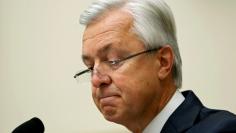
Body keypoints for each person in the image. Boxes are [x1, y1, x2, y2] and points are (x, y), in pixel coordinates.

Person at [74, 0, 236, 132]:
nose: (96, 80)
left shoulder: (222, 129)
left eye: (113, 60)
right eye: (90, 67)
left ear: (163, 62)